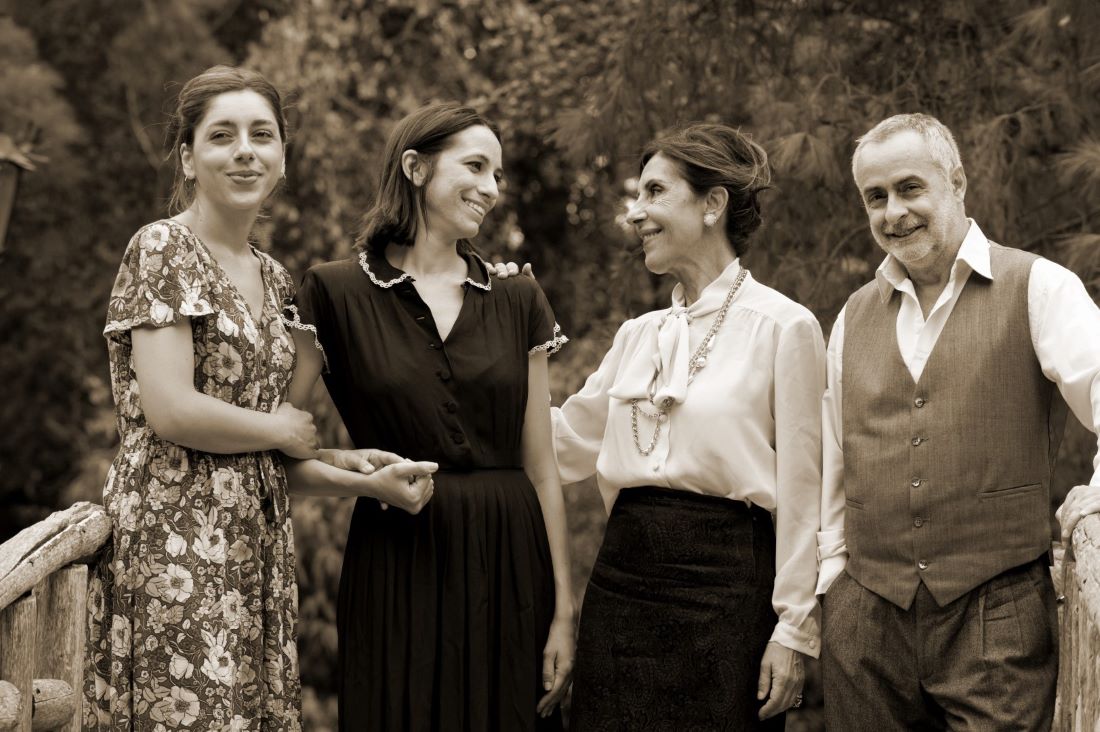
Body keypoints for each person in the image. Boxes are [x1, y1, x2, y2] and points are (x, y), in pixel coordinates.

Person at [84, 65, 437, 731]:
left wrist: (359, 474)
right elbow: (171, 410)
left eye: (261, 135)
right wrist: (281, 431)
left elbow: (263, 455)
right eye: (222, 135)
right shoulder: (163, 248)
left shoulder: (276, 280)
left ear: (282, 156)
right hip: (172, 546)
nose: (245, 151)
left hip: (257, 552)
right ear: (188, 158)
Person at [500, 123, 825, 729]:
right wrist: (500, 332)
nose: (635, 213)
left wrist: (794, 629)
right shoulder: (637, 335)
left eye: (654, 192)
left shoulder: (786, 328)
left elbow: (808, 493)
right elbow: (559, 447)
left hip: (728, 590)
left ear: (712, 204)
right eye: (637, 194)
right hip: (622, 582)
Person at [285, 102, 575, 731]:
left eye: (497, 174)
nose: (491, 188)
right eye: (475, 166)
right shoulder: (333, 293)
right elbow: (280, 457)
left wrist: (562, 610)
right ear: (415, 168)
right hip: (396, 560)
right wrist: (366, 484)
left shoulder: (518, 296)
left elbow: (542, 468)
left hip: (510, 564)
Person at [818, 112, 1100, 730]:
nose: (894, 212)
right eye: (875, 197)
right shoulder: (853, 315)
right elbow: (834, 461)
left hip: (997, 612)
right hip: (865, 618)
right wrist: (834, 585)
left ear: (957, 182)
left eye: (909, 188)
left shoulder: (1038, 286)